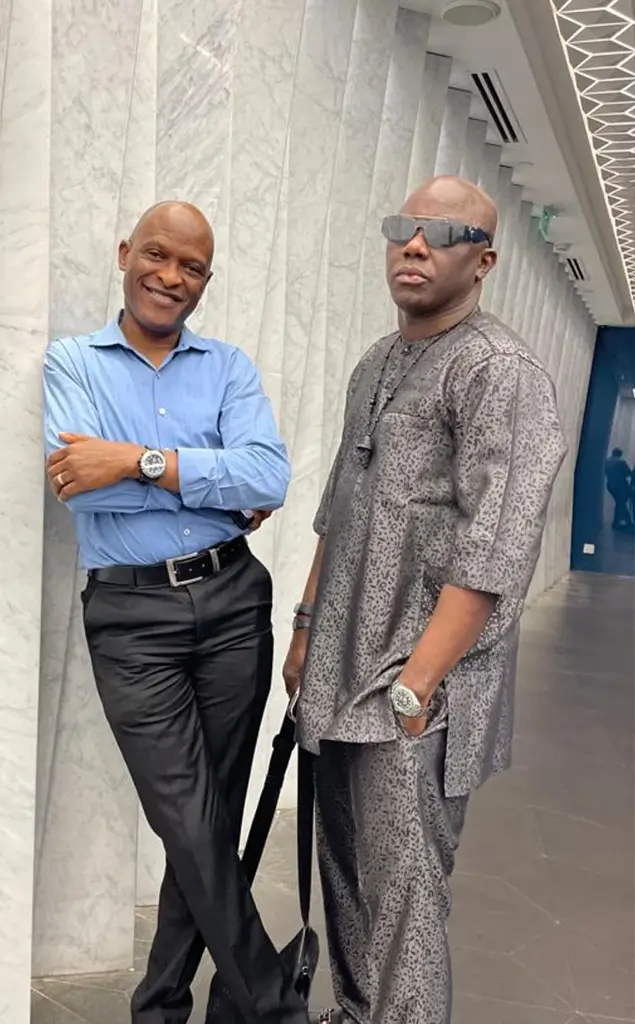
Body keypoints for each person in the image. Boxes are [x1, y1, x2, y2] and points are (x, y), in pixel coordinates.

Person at [283, 176, 567, 1024]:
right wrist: (306, 629)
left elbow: (496, 545)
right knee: (344, 871)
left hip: (416, 690)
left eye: (442, 233)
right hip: (339, 673)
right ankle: (356, 1013)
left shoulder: (499, 372)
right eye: (403, 227)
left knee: (404, 899)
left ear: (482, 261)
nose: (414, 244)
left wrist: (415, 687)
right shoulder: (376, 361)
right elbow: (338, 508)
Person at [43, 201, 309, 1024]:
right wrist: (206, 478)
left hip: (233, 602)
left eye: (191, 267)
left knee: (209, 823)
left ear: (206, 279)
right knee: (189, 822)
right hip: (131, 618)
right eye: (157, 256)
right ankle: (272, 1005)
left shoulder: (226, 367)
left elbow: (267, 477)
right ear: (126, 253)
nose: (170, 277)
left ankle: (160, 1006)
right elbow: (79, 484)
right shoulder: (72, 363)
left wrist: (138, 460)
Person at [604, 447, 632, 531]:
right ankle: (626, 522)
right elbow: (628, 473)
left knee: (619, 503)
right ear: (619, 454)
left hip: (611, 485)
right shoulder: (621, 463)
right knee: (621, 503)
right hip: (620, 486)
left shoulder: (606, 462)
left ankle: (618, 521)